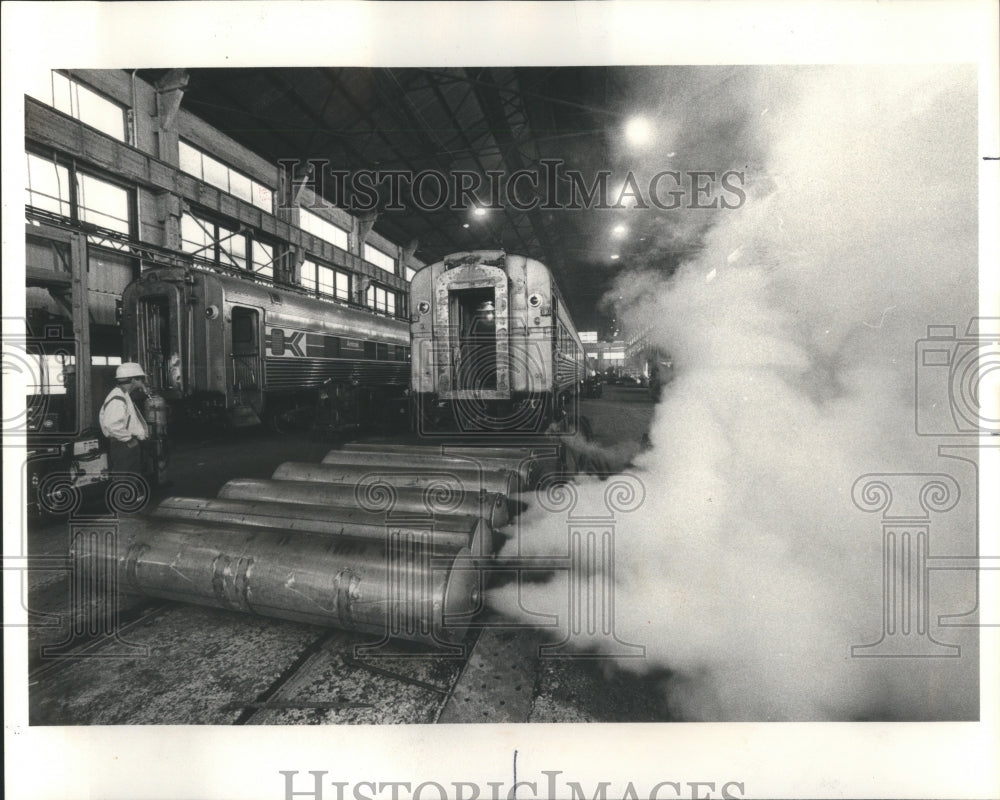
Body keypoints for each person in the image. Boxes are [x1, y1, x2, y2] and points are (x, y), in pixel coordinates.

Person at [98, 362, 150, 476]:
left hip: (126, 444)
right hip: (123, 446)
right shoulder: (117, 398)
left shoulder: (123, 394)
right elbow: (112, 425)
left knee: (131, 479)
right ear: (132, 380)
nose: (143, 382)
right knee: (125, 480)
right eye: (141, 378)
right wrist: (129, 440)